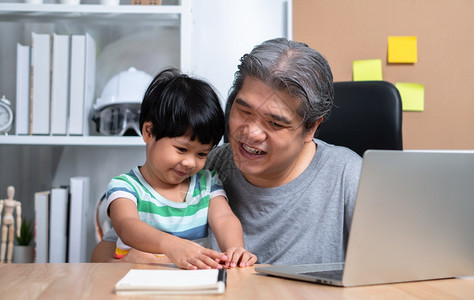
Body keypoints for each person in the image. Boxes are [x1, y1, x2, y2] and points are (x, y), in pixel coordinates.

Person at [92, 38, 362, 265]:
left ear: (311, 128)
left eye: (275, 122)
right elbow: (107, 249)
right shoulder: (208, 164)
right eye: (243, 111)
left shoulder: (349, 176)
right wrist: (130, 260)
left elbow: (396, 271)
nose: (251, 133)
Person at [102, 68, 256, 270]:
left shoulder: (207, 184)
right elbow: (127, 226)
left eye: (202, 154)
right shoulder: (125, 187)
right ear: (149, 132)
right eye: (182, 149)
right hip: (137, 285)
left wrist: (236, 249)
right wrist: (171, 246)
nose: (190, 162)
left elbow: (224, 218)